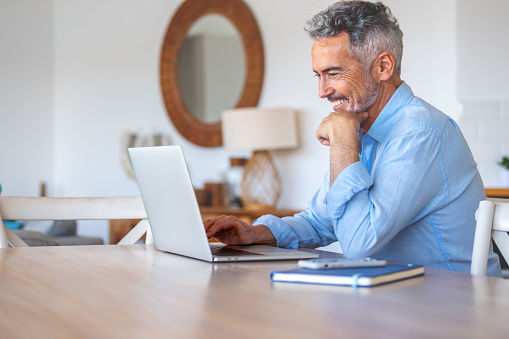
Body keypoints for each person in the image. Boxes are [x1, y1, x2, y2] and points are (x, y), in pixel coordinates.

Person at [205, 1, 502, 277]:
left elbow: (359, 241)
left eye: (333, 73)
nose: (322, 90)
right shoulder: (361, 127)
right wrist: (254, 233)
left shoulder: (420, 132)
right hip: (393, 297)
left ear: (383, 67)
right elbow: (321, 220)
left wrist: (344, 144)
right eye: (318, 75)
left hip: (452, 310)